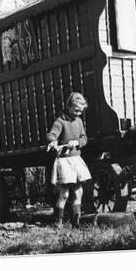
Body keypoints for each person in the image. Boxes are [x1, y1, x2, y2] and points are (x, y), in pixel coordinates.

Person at [46, 92, 91, 228]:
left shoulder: (79, 122)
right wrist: (53, 142)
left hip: (76, 160)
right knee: (64, 194)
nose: (78, 113)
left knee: (78, 192)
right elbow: (52, 135)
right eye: (76, 110)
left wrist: (77, 143)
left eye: (80, 111)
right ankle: (58, 224)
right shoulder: (60, 121)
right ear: (68, 106)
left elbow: (84, 138)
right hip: (65, 161)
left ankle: (76, 223)